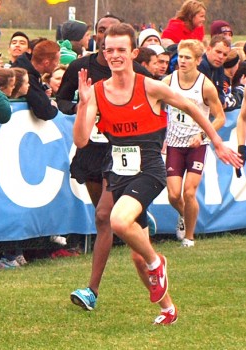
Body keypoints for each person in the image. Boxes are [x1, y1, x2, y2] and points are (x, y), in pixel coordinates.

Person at [74, 22, 241, 325]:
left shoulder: (150, 86)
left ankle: (157, 262)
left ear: (133, 52)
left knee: (117, 221)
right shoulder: (97, 91)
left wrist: (215, 141)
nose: (114, 55)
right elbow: (81, 140)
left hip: (149, 169)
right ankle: (168, 308)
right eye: (108, 50)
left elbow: (192, 109)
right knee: (136, 252)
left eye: (121, 50)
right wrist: (84, 105)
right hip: (119, 170)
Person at [56, 14, 153, 314]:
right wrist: (84, 108)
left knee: (103, 215)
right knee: (105, 221)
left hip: (120, 150)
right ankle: (139, 221)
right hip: (90, 151)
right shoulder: (80, 67)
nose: (107, 39)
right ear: (97, 37)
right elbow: (61, 100)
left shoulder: (136, 71)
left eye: (113, 34)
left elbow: (152, 103)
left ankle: (92, 290)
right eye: (101, 32)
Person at [163, 39, 226, 247]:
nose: (182, 61)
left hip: (197, 145)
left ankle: (189, 238)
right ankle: (185, 216)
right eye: (180, 56)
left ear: (198, 60)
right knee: (173, 195)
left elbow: (220, 117)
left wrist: (202, 135)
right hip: (173, 143)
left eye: (187, 58)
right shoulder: (168, 82)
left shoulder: (205, 86)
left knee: (189, 191)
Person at [12, 39, 60, 120]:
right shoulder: (27, 78)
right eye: (57, 61)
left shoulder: (30, 71)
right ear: (46, 63)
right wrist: (53, 107)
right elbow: (45, 112)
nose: (58, 64)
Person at [198, 34, 231, 107]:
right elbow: (206, 97)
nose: (221, 57)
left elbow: (221, 92)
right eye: (218, 52)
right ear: (208, 49)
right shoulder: (201, 64)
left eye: (225, 55)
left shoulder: (220, 66)